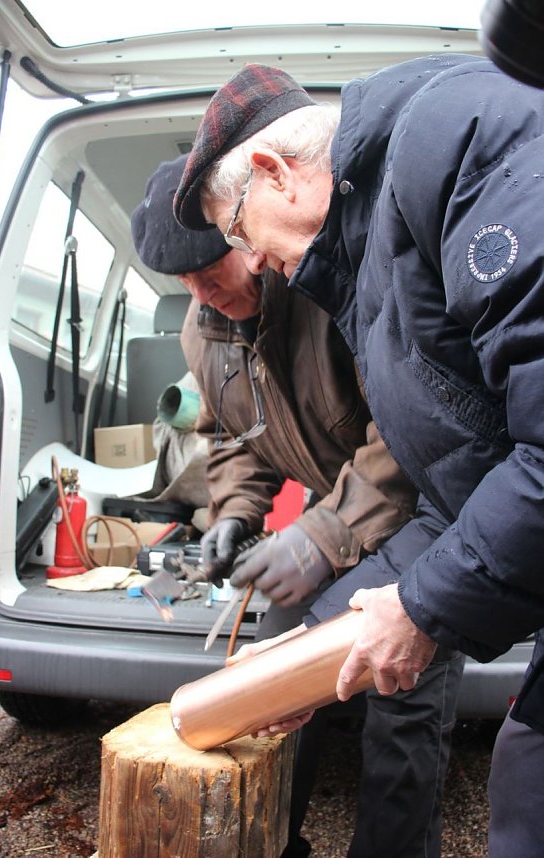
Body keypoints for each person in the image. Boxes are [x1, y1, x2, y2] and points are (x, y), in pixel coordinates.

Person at [173, 54, 544, 857]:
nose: (249, 259)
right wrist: (310, 646)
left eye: (234, 231)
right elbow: (462, 493)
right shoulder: (364, 275)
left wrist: (412, 608)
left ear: (274, 173)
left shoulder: (451, 149)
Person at [131, 155, 467, 858]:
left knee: (398, 710)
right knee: (270, 690)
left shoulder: (332, 294)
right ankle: (274, 844)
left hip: (424, 515)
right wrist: (232, 515)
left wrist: (321, 536)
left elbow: (412, 435)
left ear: (248, 240)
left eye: (210, 270)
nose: (202, 293)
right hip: (333, 514)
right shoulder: (203, 331)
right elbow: (233, 434)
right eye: (184, 283)